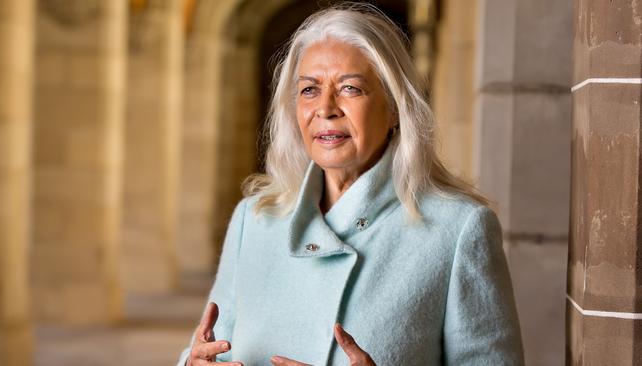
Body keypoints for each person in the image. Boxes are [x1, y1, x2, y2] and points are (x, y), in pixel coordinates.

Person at [177, 4, 524, 366]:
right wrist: (192, 362)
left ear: (394, 107)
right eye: (310, 89)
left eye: (350, 89)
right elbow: (207, 344)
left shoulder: (457, 229)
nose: (325, 108)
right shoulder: (254, 219)